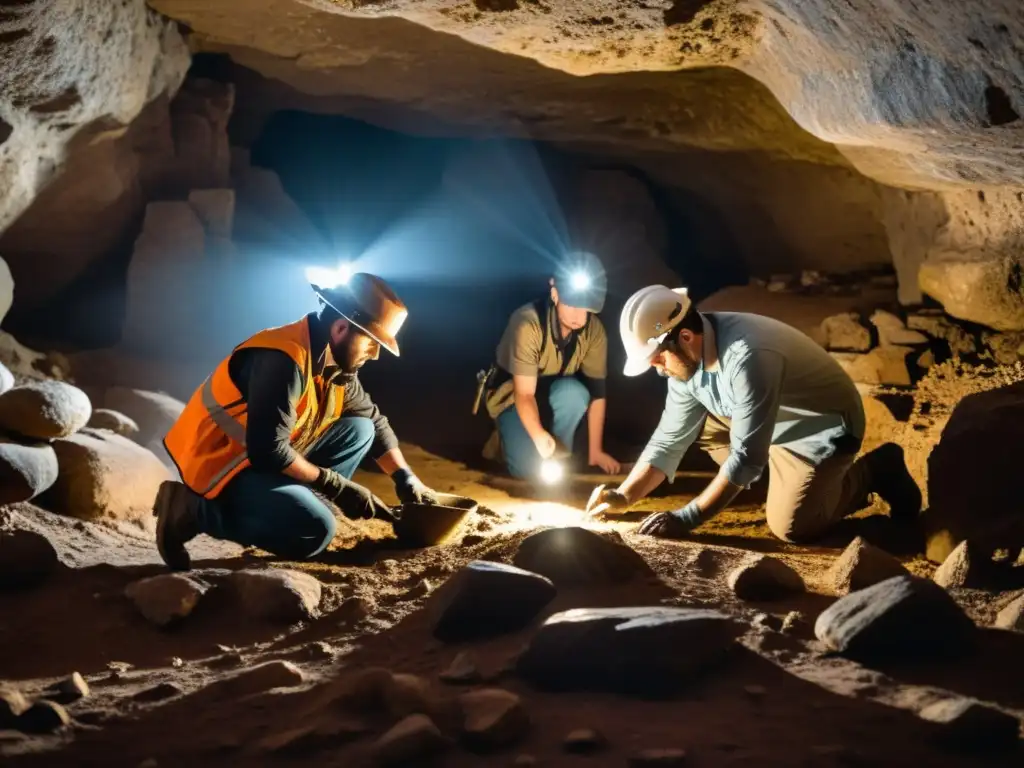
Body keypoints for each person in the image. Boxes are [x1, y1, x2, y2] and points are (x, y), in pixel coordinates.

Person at [586, 284, 921, 542]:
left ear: (685, 337)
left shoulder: (749, 356)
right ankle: (772, 476)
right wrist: (623, 496)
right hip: (773, 422)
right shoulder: (688, 361)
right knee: (697, 426)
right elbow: (669, 439)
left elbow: (745, 456)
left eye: (658, 358)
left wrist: (686, 518)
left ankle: (874, 471)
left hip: (821, 430)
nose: (658, 370)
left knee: (791, 526)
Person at [153, 272, 441, 571]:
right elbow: (268, 451)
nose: (375, 354)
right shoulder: (283, 359)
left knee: (361, 429)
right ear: (342, 328)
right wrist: (335, 485)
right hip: (223, 465)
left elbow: (375, 421)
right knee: (315, 531)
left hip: (261, 462)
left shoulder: (334, 364)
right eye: (371, 342)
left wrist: (405, 478)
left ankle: (294, 505)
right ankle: (191, 509)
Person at [482, 252, 621, 479]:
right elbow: (524, 394)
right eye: (571, 304)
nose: (578, 314)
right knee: (525, 470)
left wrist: (596, 452)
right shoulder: (527, 323)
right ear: (555, 294)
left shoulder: (594, 331)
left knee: (575, 392)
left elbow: (597, 394)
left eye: (585, 307)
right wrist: (538, 436)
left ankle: (558, 453)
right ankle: (504, 441)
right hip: (513, 397)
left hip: (556, 394)